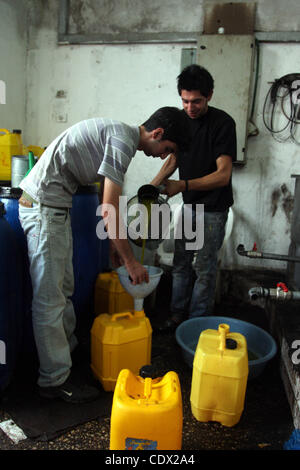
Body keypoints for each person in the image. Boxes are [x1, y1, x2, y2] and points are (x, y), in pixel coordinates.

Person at [18, 107, 189, 403]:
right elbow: (110, 209)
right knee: (50, 299)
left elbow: (103, 193)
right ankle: (54, 380)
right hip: (43, 209)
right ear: (157, 134)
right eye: (167, 150)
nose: (163, 157)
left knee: (64, 290)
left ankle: (67, 353)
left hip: (54, 209)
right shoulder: (122, 141)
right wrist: (131, 260)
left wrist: (113, 245)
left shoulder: (119, 136)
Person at [151, 65, 237, 330]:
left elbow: (223, 175)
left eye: (196, 101)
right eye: (185, 101)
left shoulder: (223, 124)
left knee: (204, 267)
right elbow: (174, 158)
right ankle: (177, 314)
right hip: (189, 207)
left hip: (212, 209)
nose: (190, 107)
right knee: (181, 264)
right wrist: (152, 188)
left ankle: (197, 323)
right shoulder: (180, 121)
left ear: (209, 95)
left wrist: (183, 185)